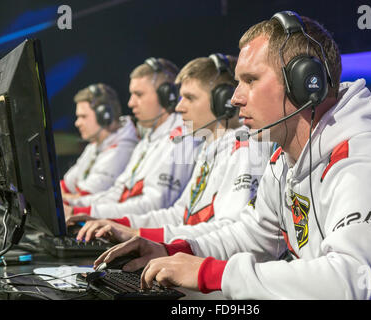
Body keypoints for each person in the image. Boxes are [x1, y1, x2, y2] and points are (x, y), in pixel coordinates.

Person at [94, 11, 371, 300]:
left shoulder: (367, 160)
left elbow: (350, 281)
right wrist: (171, 251)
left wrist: (207, 272)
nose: (235, 98)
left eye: (250, 80)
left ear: (307, 84)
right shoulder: (285, 160)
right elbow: (254, 236)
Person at [72, 54, 274, 244]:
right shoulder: (210, 146)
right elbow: (180, 215)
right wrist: (117, 224)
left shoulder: (245, 149)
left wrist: (136, 234)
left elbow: (229, 232)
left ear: (224, 102)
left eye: (190, 98)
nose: (179, 107)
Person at [64, 58, 201, 223]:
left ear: (167, 96)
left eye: (139, 94)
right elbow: (118, 193)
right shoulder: (147, 141)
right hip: (130, 228)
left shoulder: (183, 140)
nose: (131, 103)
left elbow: (156, 205)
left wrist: (82, 211)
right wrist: (73, 206)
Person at [61, 83, 138, 201]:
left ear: (104, 116)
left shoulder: (122, 150)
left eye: (83, 116)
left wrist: (59, 198)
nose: (77, 123)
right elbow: (65, 186)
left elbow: (84, 200)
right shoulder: (95, 145)